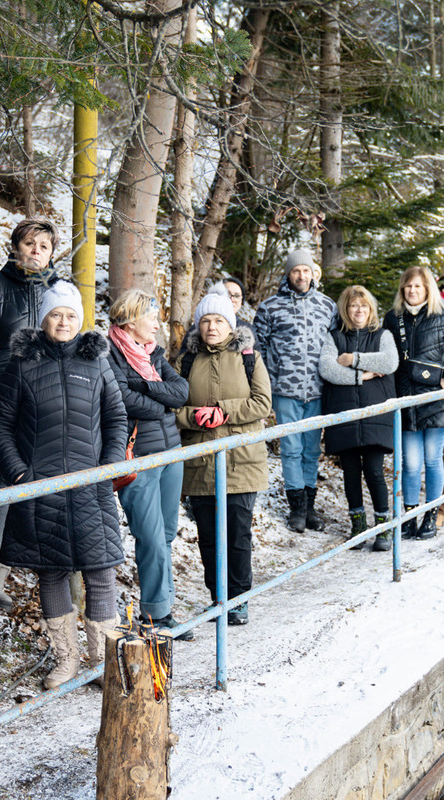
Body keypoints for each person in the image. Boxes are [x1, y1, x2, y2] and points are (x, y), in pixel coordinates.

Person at [0, 281, 129, 689]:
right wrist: (20, 474)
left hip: (91, 488)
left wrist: (108, 467)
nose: (63, 322)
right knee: (51, 574)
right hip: (41, 489)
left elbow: (117, 418)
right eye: (55, 314)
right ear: (44, 320)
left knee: (100, 573)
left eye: (70, 315)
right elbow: (0, 424)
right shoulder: (23, 364)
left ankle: (101, 663)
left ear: (80, 319)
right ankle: (66, 659)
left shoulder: (97, 362)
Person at [0, 219, 60, 609]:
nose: (36, 250)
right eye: (29, 243)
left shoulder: (59, 291)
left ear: (52, 253)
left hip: (41, 403)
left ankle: (27, 563)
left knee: (34, 477)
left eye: (44, 246)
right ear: (16, 247)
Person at [176, 291, 272, 626]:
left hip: (241, 460)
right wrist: (193, 416)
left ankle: (239, 599)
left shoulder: (249, 357)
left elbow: (262, 403)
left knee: (237, 533)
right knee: (208, 536)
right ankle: (218, 598)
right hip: (200, 461)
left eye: (218, 320)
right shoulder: (186, 360)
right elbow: (172, 407)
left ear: (230, 325)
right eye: (205, 321)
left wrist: (223, 412)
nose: (212, 327)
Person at [105, 289, 192, 638]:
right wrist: (160, 400)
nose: (157, 325)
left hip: (171, 453)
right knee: (152, 538)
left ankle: (162, 608)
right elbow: (122, 399)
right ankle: (157, 615)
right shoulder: (108, 352)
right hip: (138, 457)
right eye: (151, 318)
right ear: (130, 320)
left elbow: (181, 392)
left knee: (166, 535)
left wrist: (143, 385)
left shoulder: (153, 353)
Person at [384, 267, 444, 538]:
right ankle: (410, 515)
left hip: (437, 400)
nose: (412, 290)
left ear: (427, 289)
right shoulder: (393, 318)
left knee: (433, 460)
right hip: (406, 400)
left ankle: (432, 514)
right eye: (408, 286)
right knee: (411, 463)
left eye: (418, 286)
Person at [252, 249, 336, 533]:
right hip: (285, 390)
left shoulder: (327, 306)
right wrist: (268, 383)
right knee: (291, 449)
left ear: (313, 273)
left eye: (306, 270)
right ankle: (296, 509)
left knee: (311, 450)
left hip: (318, 390)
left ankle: (310, 507)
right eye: (296, 270)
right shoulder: (270, 307)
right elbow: (258, 349)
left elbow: (336, 345)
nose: (301, 275)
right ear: (288, 274)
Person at [319, 286, 398, 548]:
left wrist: (351, 358)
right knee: (351, 472)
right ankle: (358, 525)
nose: (359, 310)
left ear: (371, 309)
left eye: (364, 305)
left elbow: (389, 362)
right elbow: (327, 369)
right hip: (344, 413)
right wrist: (362, 375)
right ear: (345, 309)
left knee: (374, 470)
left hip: (375, 413)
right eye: (353, 305)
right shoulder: (334, 337)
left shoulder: (382, 335)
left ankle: (383, 527)